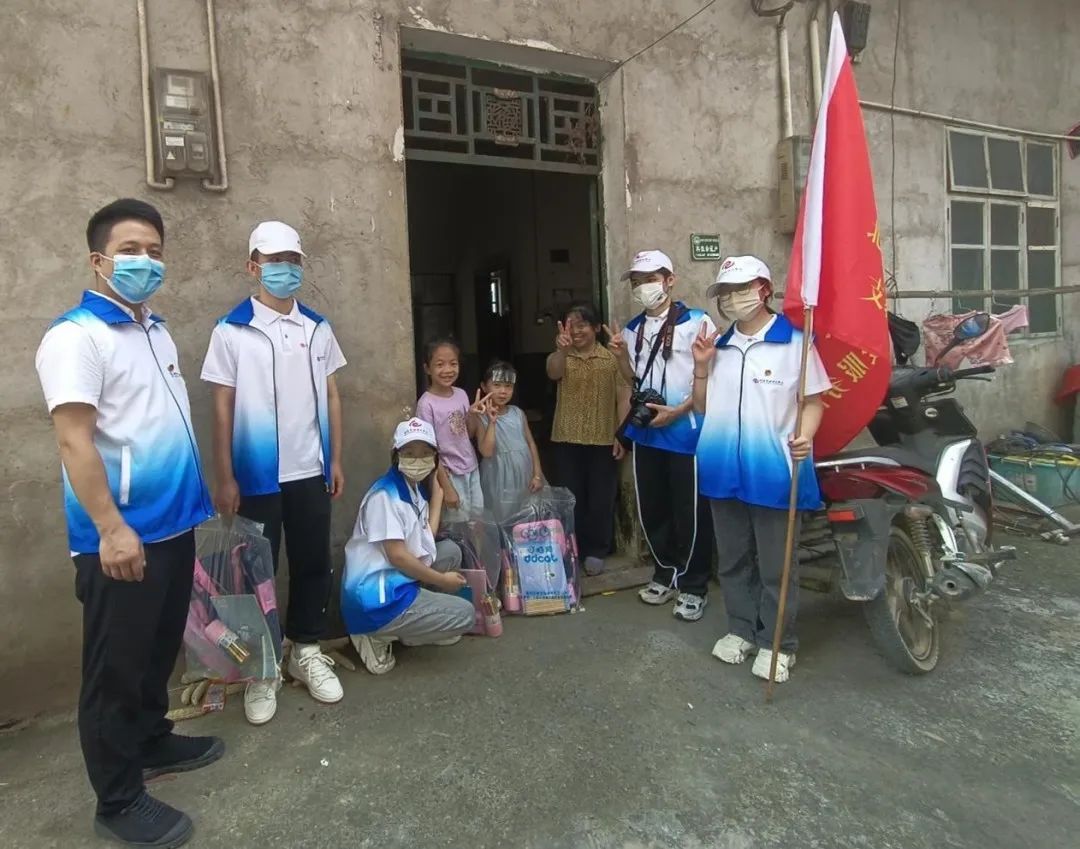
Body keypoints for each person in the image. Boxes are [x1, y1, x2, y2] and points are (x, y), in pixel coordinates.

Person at [35, 199, 222, 847]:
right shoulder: (76, 337)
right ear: (99, 260)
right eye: (131, 250)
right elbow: (74, 441)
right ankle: (116, 798)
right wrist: (112, 528)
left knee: (154, 651)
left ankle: (150, 739)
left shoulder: (153, 330)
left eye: (155, 251)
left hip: (173, 525)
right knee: (114, 670)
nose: (147, 261)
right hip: (121, 536)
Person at [201, 221, 347, 725]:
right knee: (254, 573)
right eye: (275, 260)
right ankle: (262, 667)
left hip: (310, 470)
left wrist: (335, 459)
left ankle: (305, 649)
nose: (285, 268)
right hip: (256, 474)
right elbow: (222, 406)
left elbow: (332, 396)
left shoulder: (318, 328)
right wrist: (225, 476)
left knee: (313, 562)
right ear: (253, 266)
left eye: (293, 260)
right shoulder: (231, 330)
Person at [692, 256, 830, 683]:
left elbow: (814, 401)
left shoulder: (796, 343)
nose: (732, 299)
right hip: (721, 468)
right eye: (725, 292)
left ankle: (778, 643)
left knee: (777, 566)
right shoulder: (719, 345)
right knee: (733, 560)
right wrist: (701, 368)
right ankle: (741, 629)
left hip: (774, 471)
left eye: (740, 289)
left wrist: (805, 435)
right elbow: (702, 407)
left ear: (764, 289)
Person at [606, 250, 716, 621]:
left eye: (651, 279)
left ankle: (694, 585)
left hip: (687, 434)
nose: (643, 287)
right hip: (648, 435)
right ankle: (665, 573)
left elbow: (712, 378)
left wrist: (679, 411)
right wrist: (620, 356)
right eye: (637, 282)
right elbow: (632, 380)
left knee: (690, 512)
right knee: (653, 509)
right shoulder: (632, 329)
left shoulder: (697, 322)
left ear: (670, 280)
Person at [342, 418, 474, 674]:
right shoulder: (385, 496)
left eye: (425, 453)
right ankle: (373, 633)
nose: (418, 460)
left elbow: (425, 539)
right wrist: (442, 581)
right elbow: (398, 557)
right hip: (376, 598)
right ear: (396, 456)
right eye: (409, 453)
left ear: (435, 458)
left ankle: (414, 631)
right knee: (465, 615)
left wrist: (437, 496)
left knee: (450, 552)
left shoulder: (411, 489)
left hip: (396, 578)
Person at [546, 302, 630, 576]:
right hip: (566, 439)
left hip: (602, 439)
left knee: (600, 499)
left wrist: (621, 435)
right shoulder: (562, 357)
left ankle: (597, 550)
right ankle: (572, 548)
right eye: (570, 325)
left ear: (595, 328)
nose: (576, 331)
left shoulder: (611, 359)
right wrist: (561, 351)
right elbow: (553, 372)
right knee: (570, 498)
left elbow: (623, 396)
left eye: (582, 325)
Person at [415, 338, 488, 520]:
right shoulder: (426, 404)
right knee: (457, 526)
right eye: (440, 364)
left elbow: (469, 433)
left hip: (471, 468)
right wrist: (446, 487)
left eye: (453, 364)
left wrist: (472, 414)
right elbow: (428, 449)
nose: (448, 370)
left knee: (477, 521)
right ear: (427, 368)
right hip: (448, 474)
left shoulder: (461, 394)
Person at [476, 361, 545, 521]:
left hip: (525, 473)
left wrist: (537, 474)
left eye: (508, 386)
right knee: (502, 518)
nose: (503, 391)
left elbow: (531, 443)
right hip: (498, 476)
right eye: (497, 385)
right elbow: (486, 452)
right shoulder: (480, 417)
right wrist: (492, 422)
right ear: (484, 387)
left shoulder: (518, 413)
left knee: (528, 518)